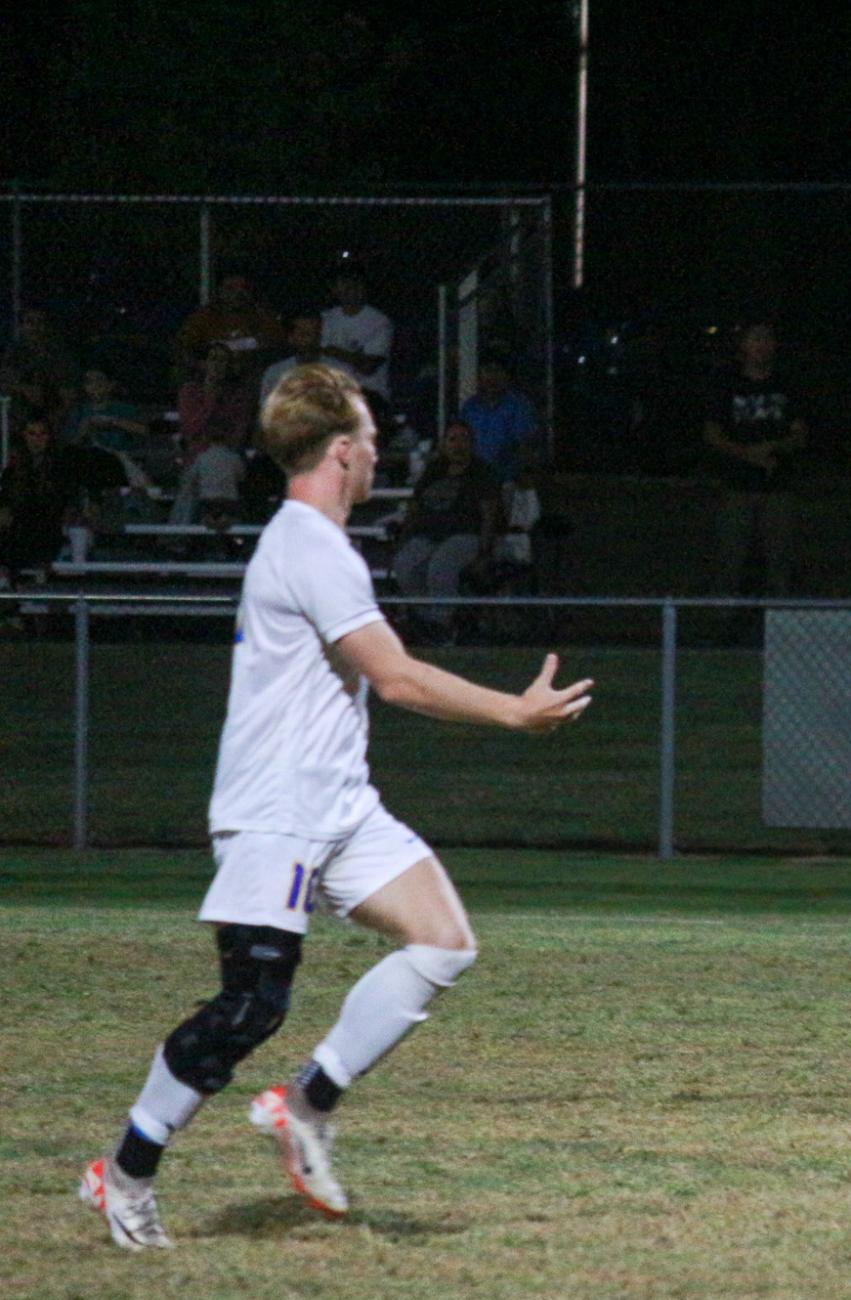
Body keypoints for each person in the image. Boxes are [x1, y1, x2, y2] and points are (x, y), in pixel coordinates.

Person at [76, 363, 592, 1251]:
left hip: (339, 802)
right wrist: (513, 711)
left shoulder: (315, 545)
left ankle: (306, 1106)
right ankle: (122, 1175)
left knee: (443, 941)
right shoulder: (310, 546)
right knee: (250, 1008)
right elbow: (394, 679)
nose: (379, 458)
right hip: (275, 810)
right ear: (344, 452)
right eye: (373, 444)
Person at [704, 320, 807, 595]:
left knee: (781, 559)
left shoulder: (786, 383)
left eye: (767, 339)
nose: (762, 346)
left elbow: (799, 434)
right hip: (737, 485)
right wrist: (747, 455)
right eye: (755, 339)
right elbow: (713, 433)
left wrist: (773, 448)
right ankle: (722, 622)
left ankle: (781, 625)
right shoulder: (726, 384)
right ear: (743, 346)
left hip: (778, 485)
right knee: (730, 559)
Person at [393, 420, 502, 641]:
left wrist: (485, 551)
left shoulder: (482, 472)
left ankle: (443, 623)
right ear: (443, 444)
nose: (458, 445)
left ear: (472, 444)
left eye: (464, 439)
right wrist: (404, 537)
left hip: (466, 535)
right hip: (430, 535)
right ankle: (425, 620)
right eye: (452, 439)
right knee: (405, 565)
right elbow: (415, 506)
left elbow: (489, 514)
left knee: (440, 566)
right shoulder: (435, 470)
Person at [0, 418, 84, 582]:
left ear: (49, 436)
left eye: (42, 434)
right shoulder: (13, 470)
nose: (37, 439)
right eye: (32, 434)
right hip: (17, 529)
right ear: (24, 436)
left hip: (47, 529)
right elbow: (5, 500)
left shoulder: (61, 467)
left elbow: (66, 500)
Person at [175, 269, 283, 377]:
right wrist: (205, 367)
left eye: (244, 288)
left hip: (251, 380)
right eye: (231, 289)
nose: (238, 293)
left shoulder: (263, 317)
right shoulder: (203, 318)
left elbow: (276, 347)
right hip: (210, 380)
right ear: (220, 291)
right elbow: (183, 350)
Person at [459, 353, 539, 484]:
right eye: (488, 370)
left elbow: (526, 446)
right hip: (473, 479)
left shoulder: (518, 405)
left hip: (508, 481)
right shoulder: (470, 407)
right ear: (480, 374)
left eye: (498, 371)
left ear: (507, 376)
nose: (493, 377)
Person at [320, 265, 393, 403]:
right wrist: (355, 357)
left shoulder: (380, 322)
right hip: (332, 394)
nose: (350, 288)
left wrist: (334, 351)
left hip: (368, 395)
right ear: (334, 289)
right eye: (344, 283)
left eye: (355, 283)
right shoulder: (324, 319)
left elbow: (368, 367)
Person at [179, 342, 256, 463]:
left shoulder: (239, 394)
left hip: (228, 454)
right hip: (198, 454)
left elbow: (240, 430)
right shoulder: (190, 391)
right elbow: (191, 428)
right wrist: (210, 395)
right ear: (204, 364)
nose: (217, 365)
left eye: (222, 360)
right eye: (213, 359)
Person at [260, 312, 326, 407]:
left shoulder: (340, 371)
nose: (308, 339)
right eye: (302, 333)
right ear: (291, 338)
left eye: (312, 333)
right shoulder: (275, 373)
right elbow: (267, 411)